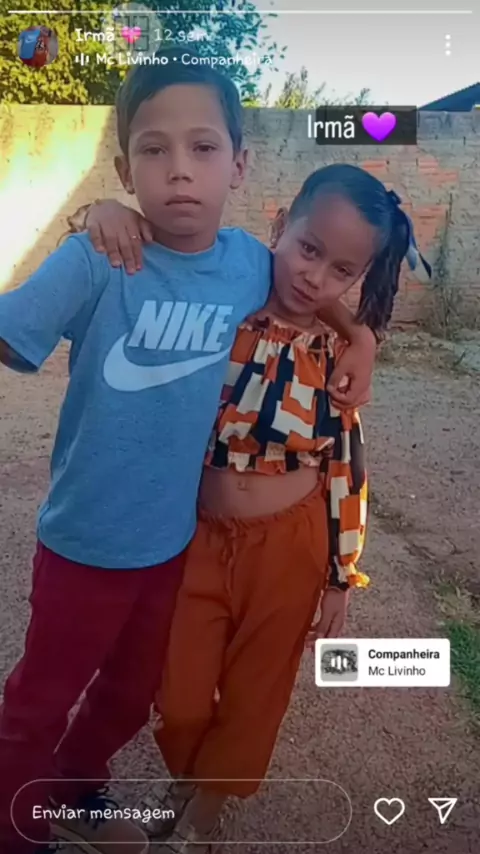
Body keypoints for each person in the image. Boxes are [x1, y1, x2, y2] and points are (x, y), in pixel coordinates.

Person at [0, 49, 377, 854]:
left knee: (132, 694)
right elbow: (13, 331)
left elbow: (310, 286)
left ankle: (71, 789)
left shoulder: (245, 263)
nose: (179, 170)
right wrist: (93, 216)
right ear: (124, 168)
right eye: (154, 149)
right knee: (40, 699)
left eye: (202, 147)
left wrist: (362, 336)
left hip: (174, 544)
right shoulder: (99, 258)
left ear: (238, 164)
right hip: (84, 542)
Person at [72, 166, 431, 853]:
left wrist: (339, 576)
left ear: (358, 278)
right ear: (279, 225)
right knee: (177, 691)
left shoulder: (338, 356)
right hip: (195, 536)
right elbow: (163, 254)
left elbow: (345, 467)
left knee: (256, 692)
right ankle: (192, 773)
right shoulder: (221, 306)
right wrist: (102, 211)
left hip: (290, 550)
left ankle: (204, 809)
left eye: (341, 270)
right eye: (308, 249)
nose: (315, 277)